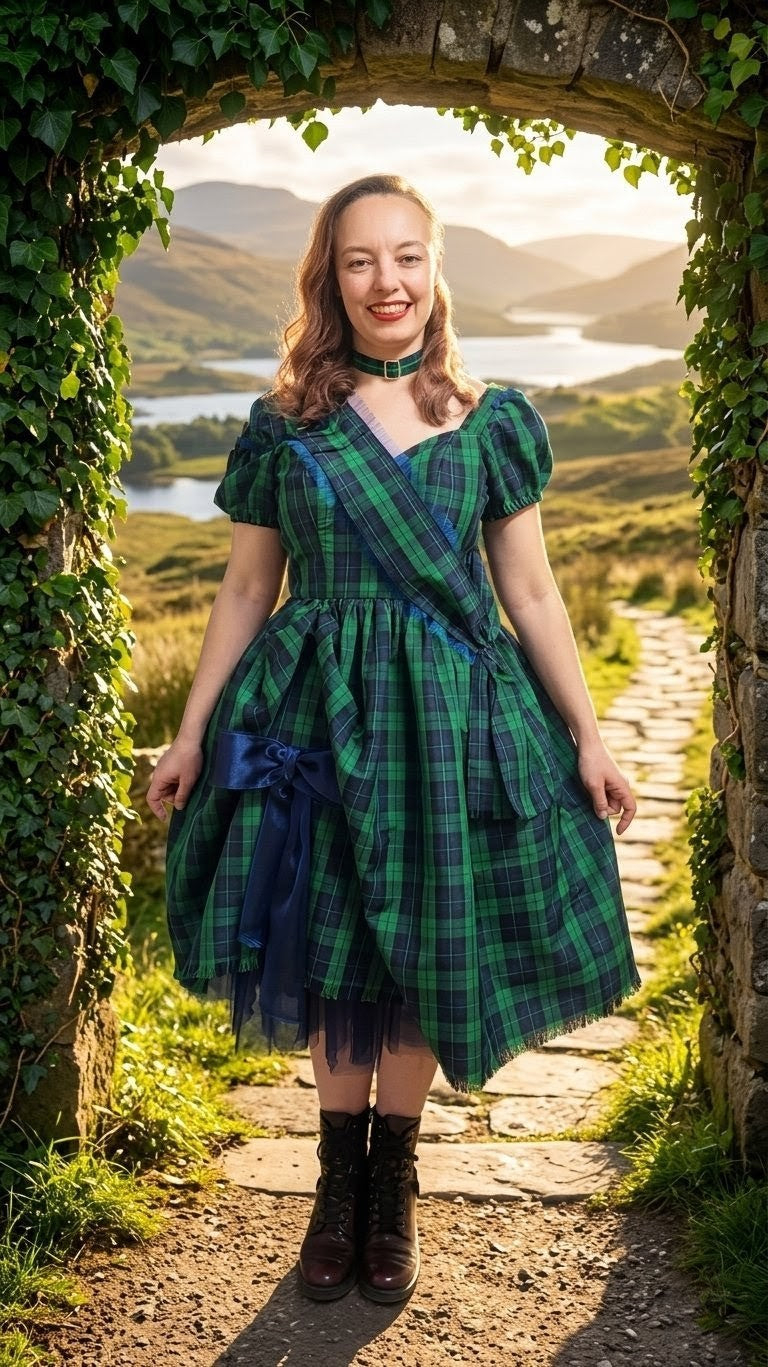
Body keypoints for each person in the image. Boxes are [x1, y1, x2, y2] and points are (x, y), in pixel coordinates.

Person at [146, 172, 641, 1306]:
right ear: (330, 277)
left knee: (423, 946)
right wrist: (189, 733)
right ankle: (336, 1183)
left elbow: (532, 592)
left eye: (407, 256)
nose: (387, 282)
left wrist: (588, 735)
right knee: (337, 945)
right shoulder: (286, 424)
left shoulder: (491, 421)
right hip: (317, 712)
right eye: (361, 260)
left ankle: (394, 1181)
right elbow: (246, 590)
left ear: (434, 268)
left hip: (452, 723)